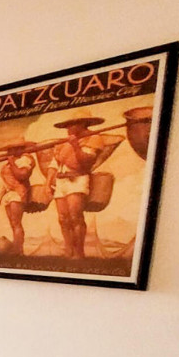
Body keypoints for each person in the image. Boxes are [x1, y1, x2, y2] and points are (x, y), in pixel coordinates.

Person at [46, 109, 122, 259]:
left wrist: (75, 146)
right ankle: (68, 250)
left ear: (82, 124)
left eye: (71, 125)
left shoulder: (93, 139)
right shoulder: (63, 143)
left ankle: (79, 252)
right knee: (63, 218)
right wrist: (48, 183)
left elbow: (86, 162)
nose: (68, 128)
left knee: (76, 216)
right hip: (61, 181)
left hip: (78, 179)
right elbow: (54, 164)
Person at [0, 139, 37, 255]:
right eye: (9, 150)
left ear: (19, 149)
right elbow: (8, 181)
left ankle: (18, 250)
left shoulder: (25, 160)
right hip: (9, 193)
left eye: (12, 149)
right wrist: (0, 196)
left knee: (16, 222)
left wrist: (12, 162)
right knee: (13, 224)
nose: (9, 152)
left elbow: (22, 175)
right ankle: (17, 250)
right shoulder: (10, 163)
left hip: (19, 192)